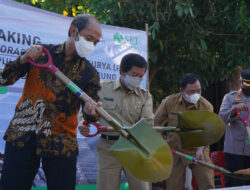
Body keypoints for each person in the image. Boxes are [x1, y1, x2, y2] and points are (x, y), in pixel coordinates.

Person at [0, 14, 102, 190]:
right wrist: (23, 59)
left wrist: (91, 113)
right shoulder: (40, 53)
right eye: (90, 38)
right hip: (23, 135)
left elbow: (91, 115)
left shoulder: (90, 73)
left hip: (61, 142)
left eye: (96, 42)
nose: (92, 45)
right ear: (73, 31)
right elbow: (3, 79)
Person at [78, 53, 154, 190]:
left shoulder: (145, 96)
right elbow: (85, 110)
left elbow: (147, 122)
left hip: (134, 148)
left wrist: (137, 129)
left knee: (142, 187)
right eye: (135, 74)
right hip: (108, 148)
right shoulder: (101, 89)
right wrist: (83, 124)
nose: (138, 79)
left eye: (141, 76)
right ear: (122, 71)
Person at [154, 73, 215, 190]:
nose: (196, 94)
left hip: (198, 149)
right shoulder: (169, 102)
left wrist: (200, 149)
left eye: (199, 90)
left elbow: (208, 131)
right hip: (175, 150)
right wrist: (162, 143)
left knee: (207, 183)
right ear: (182, 90)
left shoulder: (206, 106)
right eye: (192, 91)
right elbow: (157, 123)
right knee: (173, 186)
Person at [219, 69, 250, 187]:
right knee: (234, 184)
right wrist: (233, 109)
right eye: (247, 83)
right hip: (234, 152)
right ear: (240, 81)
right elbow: (220, 119)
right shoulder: (229, 98)